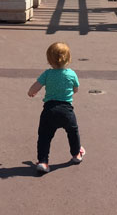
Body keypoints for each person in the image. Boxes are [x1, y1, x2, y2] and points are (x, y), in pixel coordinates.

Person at [27, 42, 85, 175]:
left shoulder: (47, 74)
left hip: (49, 110)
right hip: (66, 111)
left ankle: (43, 162)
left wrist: (31, 92)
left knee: (44, 136)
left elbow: (35, 87)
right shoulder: (71, 74)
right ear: (68, 58)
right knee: (73, 132)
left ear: (49, 60)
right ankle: (76, 154)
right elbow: (75, 89)